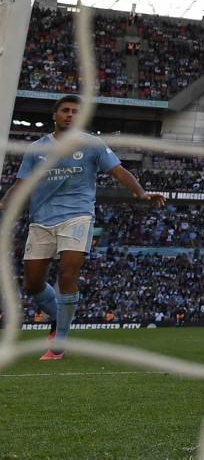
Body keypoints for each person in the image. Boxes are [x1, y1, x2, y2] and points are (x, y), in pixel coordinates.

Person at [0, 95, 164, 360]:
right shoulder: (37, 148)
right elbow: (21, 184)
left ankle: (59, 342)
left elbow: (119, 171)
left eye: (76, 112)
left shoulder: (92, 144)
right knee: (32, 285)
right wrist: (5, 202)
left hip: (77, 216)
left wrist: (141, 194)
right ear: (55, 115)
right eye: (65, 110)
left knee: (67, 275)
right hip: (41, 220)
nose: (71, 115)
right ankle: (60, 319)